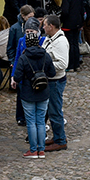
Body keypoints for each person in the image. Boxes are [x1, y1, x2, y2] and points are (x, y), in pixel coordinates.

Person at [14, 31, 56, 159]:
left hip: (28, 93)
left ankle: (33, 150)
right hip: (43, 92)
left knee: (31, 121)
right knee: (41, 121)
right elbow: (52, 73)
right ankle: (41, 149)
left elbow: (17, 77)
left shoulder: (24, 57)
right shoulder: (46, 55)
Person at [42, 15, 69, 151]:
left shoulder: (60, 42)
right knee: (51, 110)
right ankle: (57, 136)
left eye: (45, 25)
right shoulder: (49, 39)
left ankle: (60, 140)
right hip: (50, 80)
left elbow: (63, 64)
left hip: (56, 81)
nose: (43, 27)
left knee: (55, 110)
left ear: (51, 26)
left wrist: (45, 65)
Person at [60, 0, 85, 72]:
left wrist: (61, 19)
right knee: (75, 43)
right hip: (77, 23)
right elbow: (82, 10)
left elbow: (65, 11)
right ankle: (76, 64)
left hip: (68, 24)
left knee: (69, 44)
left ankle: (70, 65)